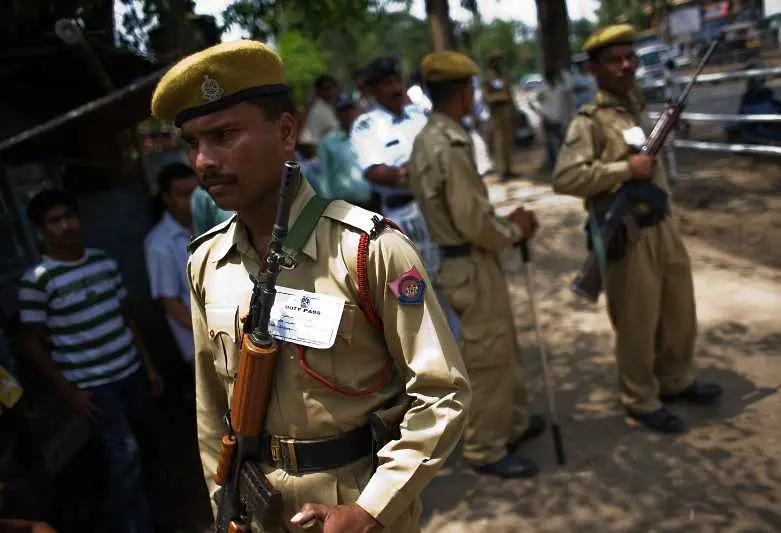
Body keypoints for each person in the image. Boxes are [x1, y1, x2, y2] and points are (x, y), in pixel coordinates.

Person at [150, 40, 470, 533]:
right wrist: (225, 503)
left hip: (358, 502)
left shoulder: (367, 251)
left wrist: (371, 509)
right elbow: (212, 407)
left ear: (284, 132)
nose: (203, 161)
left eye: (224, 135)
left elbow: (441, 393)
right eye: (192, 143)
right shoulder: (206, 264)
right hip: (258, 506)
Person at [552, 24, 722, 434]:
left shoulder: (637, 107)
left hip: (663, 226)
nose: (627, 65)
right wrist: (625, 168)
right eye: (615, 59)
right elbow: (566, 177)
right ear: (594, 68)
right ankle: (640, 398)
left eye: (630, 57)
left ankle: (675, 380)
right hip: (627, 234)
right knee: (638, 320)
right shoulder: (589, 121)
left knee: (679, 309)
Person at [409, 51, 545, 479]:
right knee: (488, 358)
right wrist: (515, 231)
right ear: (465, 92)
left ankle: (511, 423)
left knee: (502, 349)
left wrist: (503, 226)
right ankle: (486, 446)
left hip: (467, 261)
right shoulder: (448, 145)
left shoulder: (429, 137)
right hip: (469, 262)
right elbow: (472, 222)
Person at [17, 190, 163, 533]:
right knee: (123, 454)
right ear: (41, 230)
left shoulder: (103, 262)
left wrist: (150, 366)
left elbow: (127, 317)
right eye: (55, 221)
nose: (66, 226)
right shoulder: (37, 281)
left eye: (69, 216)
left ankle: (154, 515)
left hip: (130, 370)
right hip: (95, 384)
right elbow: (32, 344)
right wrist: (70, 393)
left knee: (145, 446)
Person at [350, 56, 462, 339]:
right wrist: (418, 174)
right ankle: (426, 358)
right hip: (400, 220)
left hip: (436, 211)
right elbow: (375, 171)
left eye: (397, 80)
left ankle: (461, 355)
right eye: (387, 83)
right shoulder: (367, 126)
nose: (395, 87)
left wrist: (409, 171)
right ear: (374, 90)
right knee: (411, 293)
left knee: (451, 286)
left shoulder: (420, 116)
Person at [144, 162, 197, 366]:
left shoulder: (207, 224)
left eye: (196, 192)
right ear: (166, 198)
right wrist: (215, 333)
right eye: (184, 195)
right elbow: (172, 304)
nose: (193, 200)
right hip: (202, 346)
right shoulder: (159, 243)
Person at [316, 93, 375, 209]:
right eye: (343, 111)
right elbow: (325, 177)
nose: (348, 114)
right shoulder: (328, 142)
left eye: (351, 109)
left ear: (357, 110)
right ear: (337, 114)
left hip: (374, 201)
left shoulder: (369, 135)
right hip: (347, 206)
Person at [482, 50, 519, 180]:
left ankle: (509, 169)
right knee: (499, 142)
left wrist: (515, 111)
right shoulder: (488, 77)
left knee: (509, 141)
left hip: (507, 111)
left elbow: (510, 94)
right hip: (496, 113)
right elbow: (485, 97)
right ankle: (501, 171)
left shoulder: (505, 75)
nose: (499, 62)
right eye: (497, 60)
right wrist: (499, 97)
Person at [530, 66, 574, 170]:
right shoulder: (543, 89)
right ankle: (553, 164)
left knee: (562, 142)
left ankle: (563, 163)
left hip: (559, 118)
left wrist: (566, 116)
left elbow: (566, 102)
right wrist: (540, 111)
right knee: (550, 143)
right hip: (548, 118)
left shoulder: (560, 88)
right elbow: (532, 101)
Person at [300, 74, 341, 147]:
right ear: (318, 91)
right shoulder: (318, 110)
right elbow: (312, 140)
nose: (330, 91)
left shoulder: (329, 107)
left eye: (332, 87)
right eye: (326, 88)